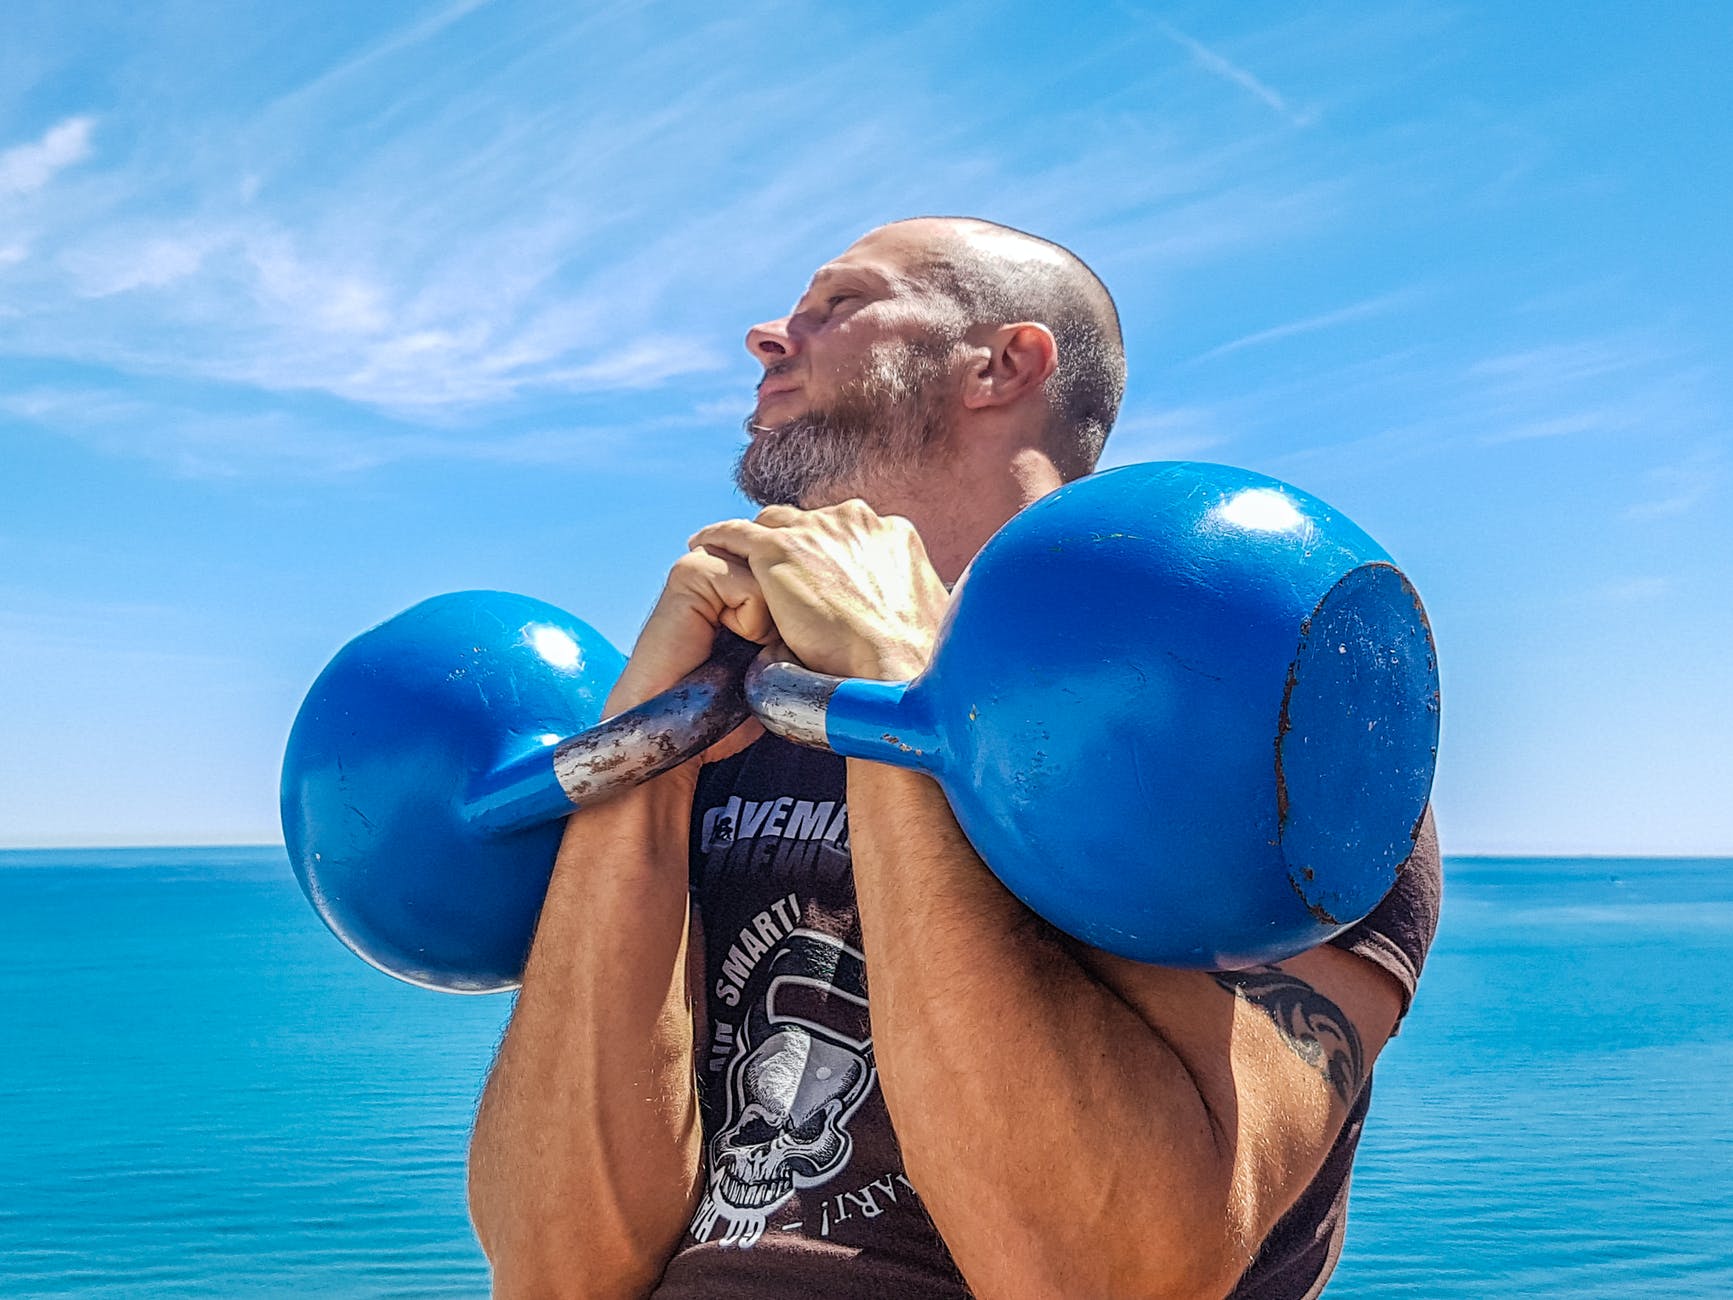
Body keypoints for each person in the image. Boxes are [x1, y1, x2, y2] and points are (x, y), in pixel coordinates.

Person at [467, 217, 1441, 1300]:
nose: (764, 335)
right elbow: (556, 1270)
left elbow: (1099, 1276)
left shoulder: (1252, 723)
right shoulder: (723, 713)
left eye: (836, 304)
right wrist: (645, 749)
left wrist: (894, 667)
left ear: (1001, 364)